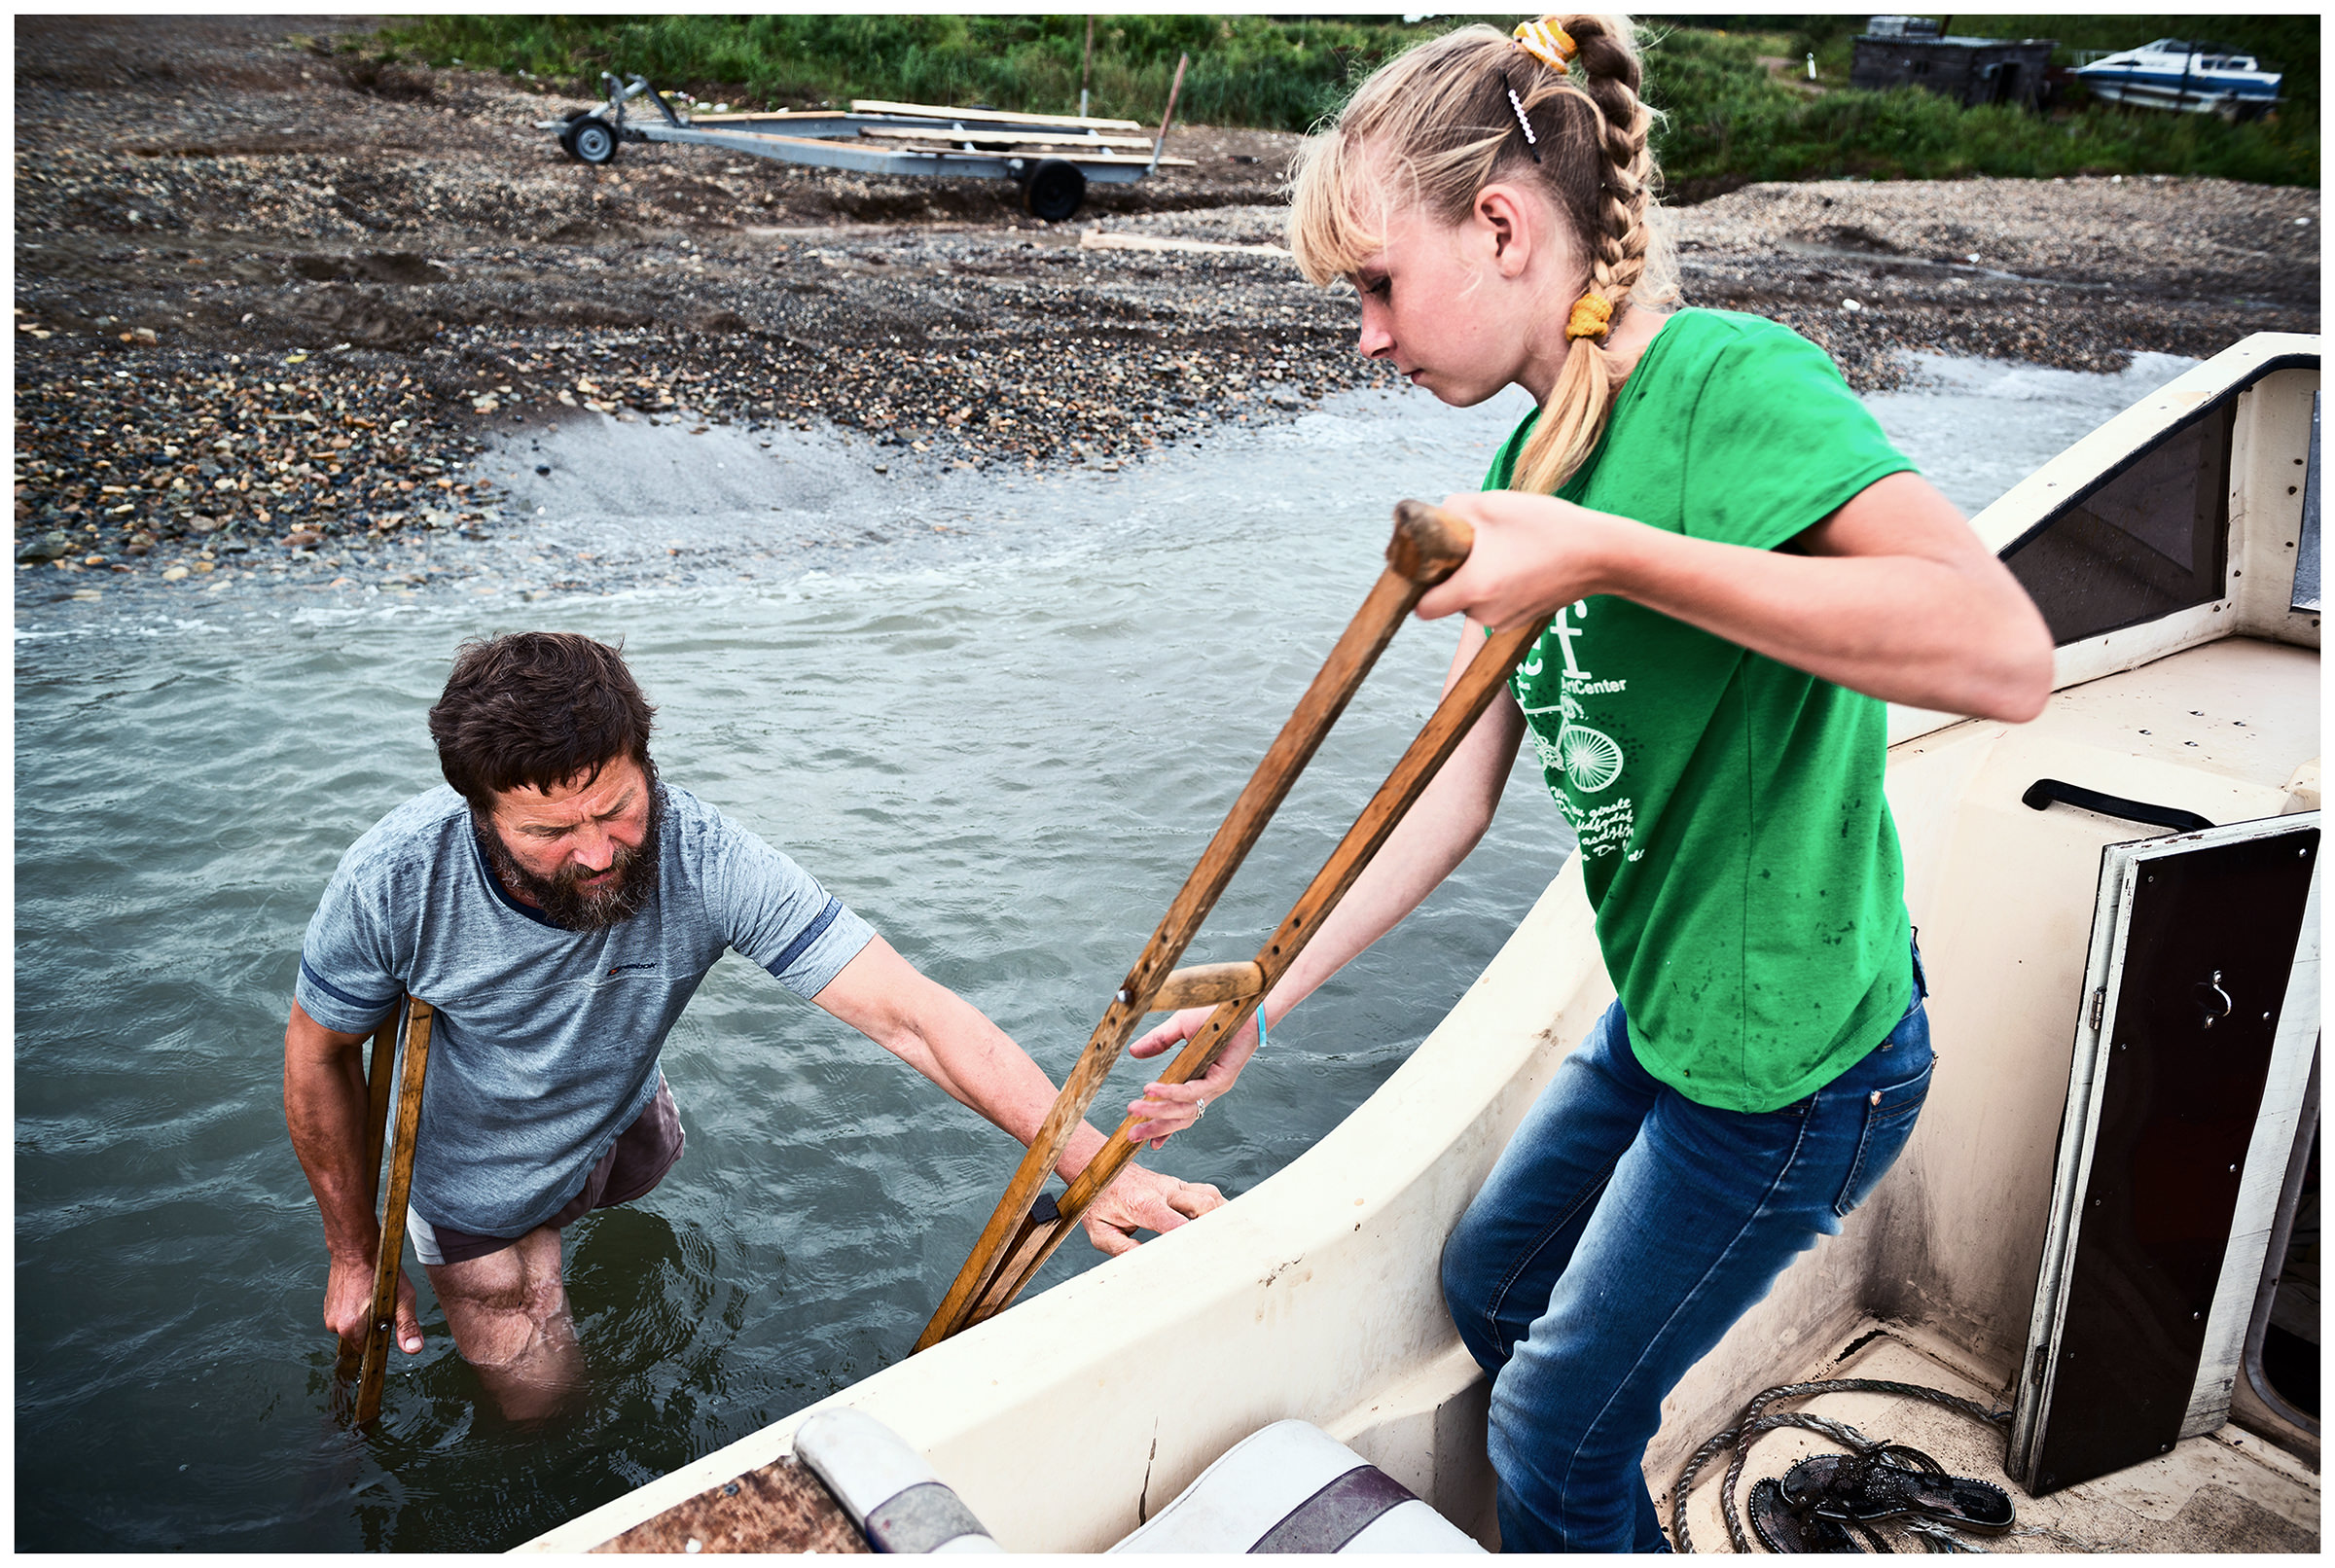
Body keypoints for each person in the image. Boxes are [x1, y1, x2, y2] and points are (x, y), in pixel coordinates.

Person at [1122, 16, 2053, 1552]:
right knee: (1493, 1289)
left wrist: (1609, 553)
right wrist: (1263, 999)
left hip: (1797, 1070)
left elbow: (1997, 651)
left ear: (1500, 225)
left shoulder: (1727, 390)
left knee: (1551, 1437)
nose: (1366, 334)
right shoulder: (1522, 481)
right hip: (1669, 1017)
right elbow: (1447, 793)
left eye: (1375, 284)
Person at [285, 631, 1221, 1421]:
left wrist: (1100, 1169)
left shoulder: (706, 854)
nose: (600, 851)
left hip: (619, 1112)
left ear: (646, 763)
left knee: (631, 1184)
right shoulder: (397, 882)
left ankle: (591, 1174)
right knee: (537, 1380)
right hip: (476, 1158)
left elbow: (915, 1016)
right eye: (549, 834)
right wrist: (354, 1256)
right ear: (480, 813)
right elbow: (319, 1053)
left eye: (617, 808)